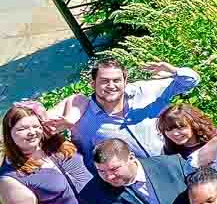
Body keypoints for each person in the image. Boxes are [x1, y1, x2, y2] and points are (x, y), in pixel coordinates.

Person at [54, 58, 200, 158]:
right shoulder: (85, 121)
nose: (111, 86)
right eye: (104, 81)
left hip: (178, 158)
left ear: (125, 81)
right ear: (93, 85)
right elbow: (88, 157)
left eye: (116, 80)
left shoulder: (146, 91)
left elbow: (191, 80)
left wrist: (174, 71)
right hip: (141, 181)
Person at [0, 102, 92, 204]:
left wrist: (62, 119)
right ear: (9, 134)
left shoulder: (56, 145)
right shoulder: (10, 177)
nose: (32, 132)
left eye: (36, 126)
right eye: (22, 129)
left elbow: (79, 99)